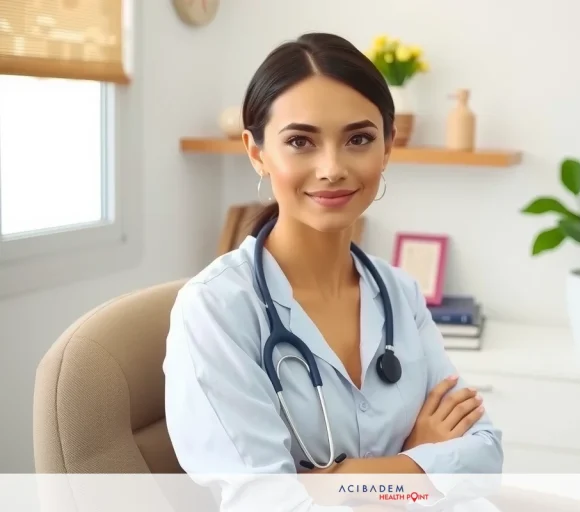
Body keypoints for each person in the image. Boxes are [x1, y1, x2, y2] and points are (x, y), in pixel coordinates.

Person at [163, 32, 503, 511]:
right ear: (257, 152)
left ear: (387, 148)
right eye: (300, 141)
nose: (332, 168)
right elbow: (266, 501)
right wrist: (418, 460)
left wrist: (347, 477)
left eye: (358, 139)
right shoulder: (216, 309)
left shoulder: (398, 292)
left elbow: (483, 453)